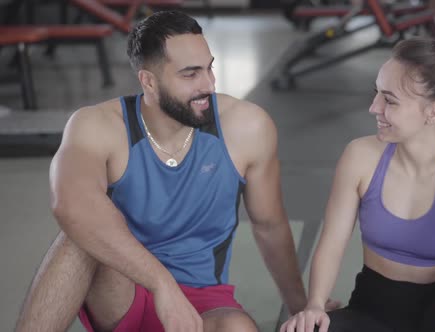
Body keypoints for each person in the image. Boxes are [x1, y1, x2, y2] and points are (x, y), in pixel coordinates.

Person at [15, 10, 317, 332]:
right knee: (78, 236)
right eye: (190, 74)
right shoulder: (98, 125)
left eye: (209, 68)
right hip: (124, 290)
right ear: (149, 80)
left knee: (237, 327)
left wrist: (302, 308)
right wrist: (162, 284)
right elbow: (69, 205)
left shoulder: (247, 127)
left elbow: (270, 226)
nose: (209, 84)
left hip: (204, 301)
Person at [281, 37, 435, 332]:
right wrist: (315, 304)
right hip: (374, 309)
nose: (374, 107)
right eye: (376, 94)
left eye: (389, 100)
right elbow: (332, 241)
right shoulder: (360, 156)